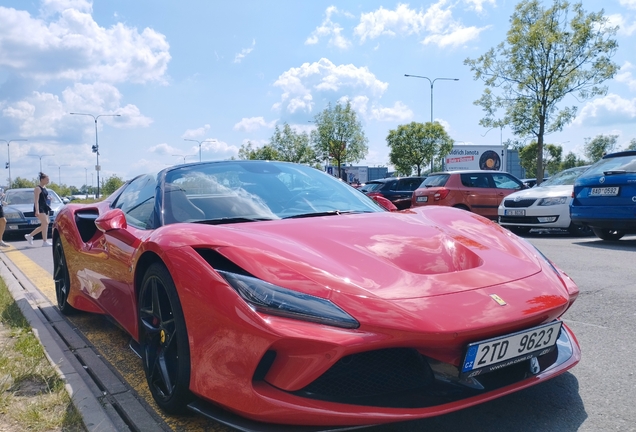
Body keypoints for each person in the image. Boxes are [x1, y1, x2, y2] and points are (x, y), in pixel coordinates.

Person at [25, 172, 53, 247]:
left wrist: (49, 199)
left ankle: (45, 241)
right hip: (40, 208)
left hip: (45, 207)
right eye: (47, 179)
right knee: (45, 223)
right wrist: (37, 210)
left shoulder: (44, 188)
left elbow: (45, 197)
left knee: (45, 225)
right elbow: (36, 200)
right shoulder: (37, 188)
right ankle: (30, 235)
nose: (48, 181)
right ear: (42, 179)